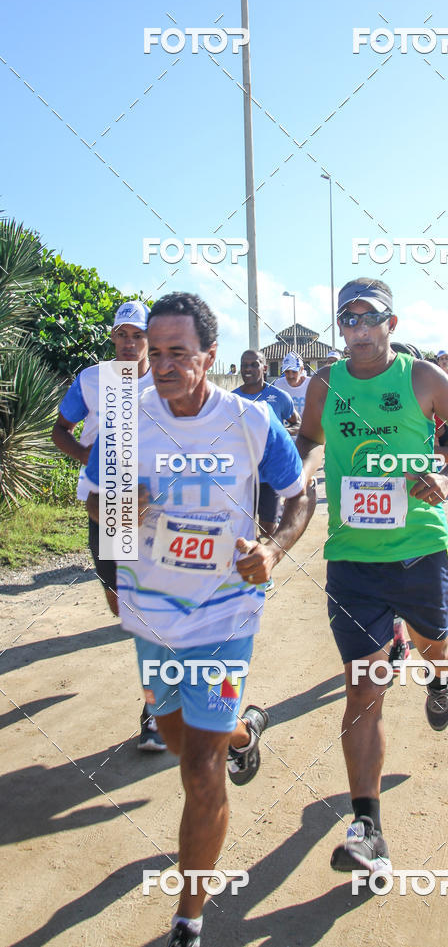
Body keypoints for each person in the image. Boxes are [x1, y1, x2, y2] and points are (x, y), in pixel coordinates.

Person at [86, 292, 316, 947]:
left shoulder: (250, 422)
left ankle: (188, 918)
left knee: (198, 769)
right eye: (153, 353)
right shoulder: (126, 422)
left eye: (177, 353)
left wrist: (271, 549)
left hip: (225, 614)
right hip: (155, 612)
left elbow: (302, 496)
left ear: (209, 357)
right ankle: (245, 732)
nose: (161, 365)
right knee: (177, 735)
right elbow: (102, 512)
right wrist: (122, 514)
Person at [296, 277, 448, 877]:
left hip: (419, 548)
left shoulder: (423, 379)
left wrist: (447, 477)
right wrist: (306, 472)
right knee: (363, 688)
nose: (358, 330)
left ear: (391, 324)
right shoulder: (325, 385)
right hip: (352, 560)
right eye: (348, 319)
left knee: (432, 646)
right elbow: (308, 440)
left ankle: (439, 675)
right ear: (339, 326)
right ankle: (367, 825)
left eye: (370, 319)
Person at [51, 299, 165, 752]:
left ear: (150, 339)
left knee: (148, 609)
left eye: (138, 335)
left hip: (157, 508)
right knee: (120, 603)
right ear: (112, 337)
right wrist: (94, 463)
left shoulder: (167, 378)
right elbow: (61, 429)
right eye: (122, 334)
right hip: (107, 506)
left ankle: (154, 711)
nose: (129, 342)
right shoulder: (94, 379)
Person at [234, 350, 301, 539]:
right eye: (244, 365)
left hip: (269, 476)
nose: (248, 369)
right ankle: (248, 563)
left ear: (264, 367)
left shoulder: (280, 397)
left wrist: (276, 435)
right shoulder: (231, 399)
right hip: (242, 475)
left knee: (268, 530)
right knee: (241, 528)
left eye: (254, 364)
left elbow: (297, 422)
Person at [273, 352, 311, 418]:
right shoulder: (278, 384)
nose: (291, 376)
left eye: (294, 372)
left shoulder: (311, 384)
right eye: (287, 371)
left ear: (301, 370)